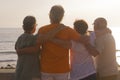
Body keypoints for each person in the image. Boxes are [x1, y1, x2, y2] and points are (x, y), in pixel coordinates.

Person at [15, 16, 40, 80]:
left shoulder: (20, 38)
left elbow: (17, 50)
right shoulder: (34, 38)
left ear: (23, 27)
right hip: (31, 72)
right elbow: (36, 50)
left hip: (20, 70)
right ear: (34, 26)